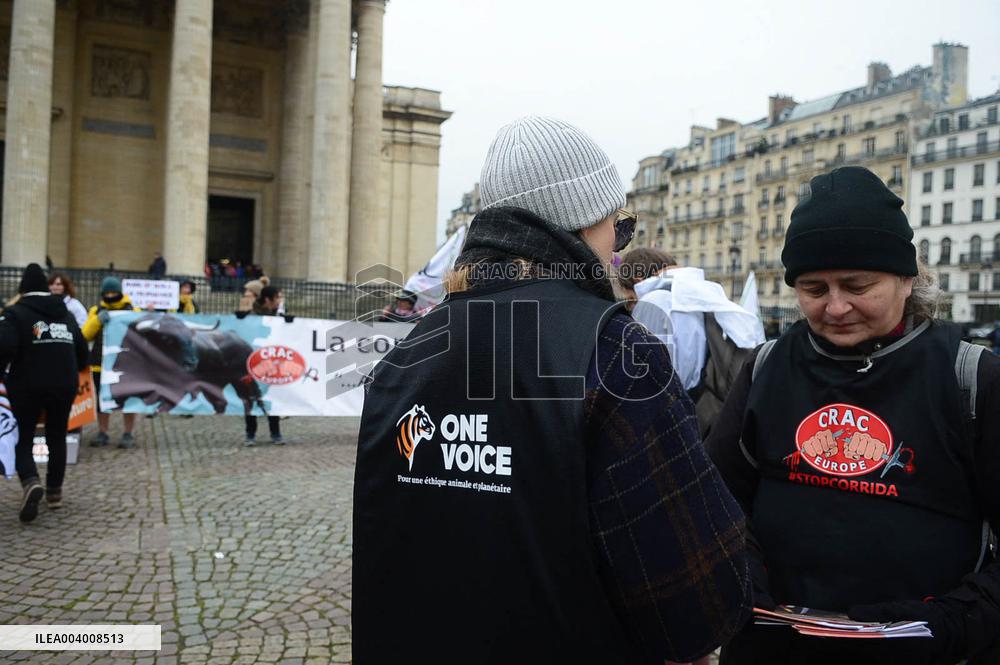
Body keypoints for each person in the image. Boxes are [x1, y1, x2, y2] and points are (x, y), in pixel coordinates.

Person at [354, 116, 751, 664]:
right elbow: (694, 601)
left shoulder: (408, 351)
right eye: (621, 226)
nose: (618, 249)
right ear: (585, 227)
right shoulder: (614, 350)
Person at [706, 166, 1000, 665]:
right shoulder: (767, 366)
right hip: (777, 646)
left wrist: (954, 620)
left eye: (857, 285)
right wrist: (742, 581)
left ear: (907, 279)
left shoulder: (972, 376)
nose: (836, 307)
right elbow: (714, 498)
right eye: (814, 290)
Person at [627, 255, 764, 437]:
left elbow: (647, 380)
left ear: (636, 279)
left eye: (629, 301)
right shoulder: (694, 301)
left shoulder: (654, 300)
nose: (628, 308)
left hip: (667, 424)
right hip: (703, 414)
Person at [0, 264, 88, 522]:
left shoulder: (15, 313)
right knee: (57, 435)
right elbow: (81, 349)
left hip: (26, 384)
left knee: (23, 437)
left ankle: (30, 481)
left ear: (23, 288)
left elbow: (4, 347)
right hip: (64, 383)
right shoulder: (66, 313)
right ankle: (54, 493)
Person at [82, 276, 140, 448]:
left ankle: (128, 433)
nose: (110, 295)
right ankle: (103, 431)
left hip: (126, 364)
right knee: (102, 401)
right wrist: (97, 320)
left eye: (114, 292)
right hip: (100, 363)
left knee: (128, 400)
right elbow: (85, 334)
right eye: (107, 293)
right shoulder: (96, 310)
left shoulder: (132, 310)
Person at [243, 285, 285, 446]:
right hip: (254, 361)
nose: (279, 301)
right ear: (268, 299)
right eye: (277, 297)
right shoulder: (252, 315)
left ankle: (275, 432)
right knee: (251, 398)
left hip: (273, 363)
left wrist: (288, 322)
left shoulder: (279, 316)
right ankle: (250, 433)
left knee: (272, 397)